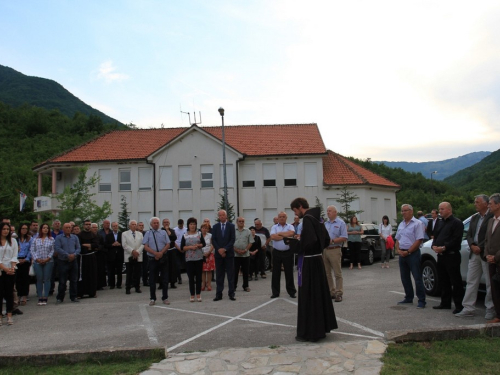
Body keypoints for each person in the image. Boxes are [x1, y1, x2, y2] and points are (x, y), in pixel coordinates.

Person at [291, 197, 337, 342]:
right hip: (318, 260)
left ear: (299, 206)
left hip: (309, 262)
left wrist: (297, 245)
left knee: (309, 296)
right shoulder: (319, 218)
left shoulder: (308, 220)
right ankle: (321, 327)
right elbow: (326, 240)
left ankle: (311, 332)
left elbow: (309, 241)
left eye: (295, 211)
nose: (296, 214)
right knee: (319, 294)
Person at [456, 194, 495, 318]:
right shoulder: (474, 218)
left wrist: (481, 247)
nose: (475, 204)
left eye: (477, 202)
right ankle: (468, 307)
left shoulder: (492, 217)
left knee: (489, 283)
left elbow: (491, 236)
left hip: (486, 253)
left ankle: (490, 308)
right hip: (474, 253)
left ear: (485, 203)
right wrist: (472, 244)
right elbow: (469, 234)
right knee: (471, 280)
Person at [431, 202, 465, 314]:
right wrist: (434, 245)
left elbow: (456, 240)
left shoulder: (457, 223)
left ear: (449, 210)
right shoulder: (439, 222)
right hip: (441, 256)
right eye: (439, 209)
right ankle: (445, 303)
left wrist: (444, 247)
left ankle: (459, 305)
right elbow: (435, 236)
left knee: (455, 281)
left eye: (442, 209)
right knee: (443, 280)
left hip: (451, 255)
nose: (440, 211)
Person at [395, 204, 426, 308]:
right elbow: (398, 238)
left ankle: (421, 300)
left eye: (405, 211)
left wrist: (408, 252)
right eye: (402, 211)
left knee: (417, 277)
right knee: (404, 277)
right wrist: (398, 250)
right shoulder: (401, 224)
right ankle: (408, 297)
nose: (403, 213)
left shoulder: (417, 223)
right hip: (402, 253)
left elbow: (419, 240)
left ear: (411, 211)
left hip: (412, 253)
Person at [143, 217, 170, 306]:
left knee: (165, 279)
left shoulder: (163, 232)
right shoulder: (148, 233)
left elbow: (168, 244)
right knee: (152, 280)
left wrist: (161, 253)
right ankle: (152, 298)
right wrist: (155, 253)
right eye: (154, 223)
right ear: (151, 224)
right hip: (152, 259)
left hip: (163, 258)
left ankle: (165, 297)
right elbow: (145, 246)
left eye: (157, 222)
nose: (156, 224)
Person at [323, 205, 348, 302]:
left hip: (335, 249)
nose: (328, 212)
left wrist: (332, 241)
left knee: (337, 273)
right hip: (325, 250)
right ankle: (331, 292)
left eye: (330, 211)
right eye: (327, 211)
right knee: (327, 273)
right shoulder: (325, 224)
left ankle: (339, 293)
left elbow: (344, 237)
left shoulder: (341, 223)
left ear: (335, 212)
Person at [270, 212, 296, 299]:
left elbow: (291, 233)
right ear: (278, 218)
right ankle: (275, 292)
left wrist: (280, 234)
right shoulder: (274, 227)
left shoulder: (290, 226)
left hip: (288, 252)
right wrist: (284, 236)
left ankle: (291, 291)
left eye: (283, 217)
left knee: (289, 272)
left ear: (286, 218)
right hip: (277, 252)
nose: (282, 218)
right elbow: (273, 237)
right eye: (280, 217)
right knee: (275, 273)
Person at [212, 210, 236, 301]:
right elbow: (213, 240)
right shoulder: (215, 227)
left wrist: (225, 249)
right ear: (218, 217)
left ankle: (231, 293)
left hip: (229, 254)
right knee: (219, 275)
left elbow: (232, 239)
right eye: (220, 215)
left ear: (226, 216)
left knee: (230, 275)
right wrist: (219, 250)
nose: (222, 216)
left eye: (223, 215)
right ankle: (219, 294)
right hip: (218, 255)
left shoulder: (231, 226)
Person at [181, 218, 206, 302]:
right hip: (189, 259)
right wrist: (190, 247)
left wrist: (199, 245)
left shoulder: (199, 233)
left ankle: (198, 294)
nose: (192, 226)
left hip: (198, 258)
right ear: (188, 225)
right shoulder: (185, 235)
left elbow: (204, 243)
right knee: (191, 277)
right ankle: (192, 294)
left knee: (199, 277)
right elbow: (182, 247)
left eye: (194, 224)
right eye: (191, 224)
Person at [54, 223, 81, 303]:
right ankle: (60, 298)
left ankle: (73, 296)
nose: (68, 229)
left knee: (74, 279)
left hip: (73, 261)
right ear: (63, 229)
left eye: (69, 227)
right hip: (63, 261)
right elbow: (57, 248)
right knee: (62, 281)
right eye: (66, 227)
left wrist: (74, 254)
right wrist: (67, 255)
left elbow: (78, 247)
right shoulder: (59, 238)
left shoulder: (75, 237)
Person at [484, 193, 500, 323]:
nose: (488, 206)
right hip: (491, 261)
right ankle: (498, 315)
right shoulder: (491, 221)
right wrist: (487, 255)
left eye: (490, 203)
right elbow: (487, 240)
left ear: (498, 205)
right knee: (494, 288)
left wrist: (496, 257)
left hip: (498, 259)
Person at [30, 223, 55, 305]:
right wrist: (37, 259)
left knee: (47, 279)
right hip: (38, 261)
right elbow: (32, 250)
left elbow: (53, 250)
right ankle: (40, 297)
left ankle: (46, 297)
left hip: (48, 261)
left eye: (47, 228)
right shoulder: (35, 239)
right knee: (39, 279)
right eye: (44, 228)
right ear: (41, 229)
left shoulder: (51, 239)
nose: (45, 229)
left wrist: (48, 258)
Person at [0, 222, 19, 325]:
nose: (6, 231)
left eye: (7, 229)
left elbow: (14, 255)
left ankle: (9, 314)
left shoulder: (13, 241)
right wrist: (5, 269)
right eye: (4, 229)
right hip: (1, 269)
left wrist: (11, 268)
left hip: (10, 269)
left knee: (9, 293)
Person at [77, 220, 99, 298]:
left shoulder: (93, 234)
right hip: (82, 257)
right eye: (86, 224)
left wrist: (88, 245)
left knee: (92, 274)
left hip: (91, 257)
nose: (88, 226)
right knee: (82, 275)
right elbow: (79, 245)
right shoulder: (80, 235)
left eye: (89, 224)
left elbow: (96, 244)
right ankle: (80, 293)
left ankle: (92, 292)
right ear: (83, 225)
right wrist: (89, 246)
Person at [122, 220, 144, 294]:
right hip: (129, 255)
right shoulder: (124, 234)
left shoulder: (140, 234)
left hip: (138, 255)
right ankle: (128, 287)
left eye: (135, 224)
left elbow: (143, 244)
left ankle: (137, 287)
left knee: (137, 273)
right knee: (129, 273)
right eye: (132, 224)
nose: (134, 226)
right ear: (129, 226)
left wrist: (137, 252)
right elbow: (124, 245)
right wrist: (132, 251)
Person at [233, 217, 254, 293]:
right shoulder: (233, 231)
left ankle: (245, 286)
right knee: (235, 272)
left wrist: (245, 250)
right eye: (240, 221)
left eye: (242, 221)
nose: (241, 222)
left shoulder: (248, 231)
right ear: (237, 222)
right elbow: (231, 242)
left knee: (246, 271)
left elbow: (251, 242)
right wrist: (237, 250)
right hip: (236, 255)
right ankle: (234, 286)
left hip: (246, 255)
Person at [16, 224, 32, 306]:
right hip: (17, 260)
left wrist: (26, 259)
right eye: (23, 228)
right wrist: (17, 259)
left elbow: (31, 250)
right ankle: (18, 295)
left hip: (26, 260)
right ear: (20, 229)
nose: (24, 230)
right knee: (18, 278)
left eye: (26, 228)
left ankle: (24, 295)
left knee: (25, 278)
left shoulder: (29, 239)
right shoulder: (16, 239)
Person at [105, 222, 124, 289]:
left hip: (119, 255)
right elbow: (106, 245)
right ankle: (112, 284)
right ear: (112, 227)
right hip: (111, 255)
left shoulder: (122, 234)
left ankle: (119, 284)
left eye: (116, 226)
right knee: (111, 271)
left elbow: (125, 243)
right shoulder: (108, 235)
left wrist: (120, 244)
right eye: (114, 226)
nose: (115, 227)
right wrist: (112, 245)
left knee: (119, 271)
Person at [162, 218, 178, 289]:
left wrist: (168, 230)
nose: (166, 223)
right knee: (163, 267)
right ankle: (162, 283)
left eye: (167, 222)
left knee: (172, 267)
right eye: (165, 222)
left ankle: (172, 282)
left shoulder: (172, 231)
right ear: (162, 224)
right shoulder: (160, 231)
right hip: (163, 251)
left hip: (171, 251)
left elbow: (174, 238)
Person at [91, 222, 107, 290]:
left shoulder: (100, 236)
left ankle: (100, 285)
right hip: (91, 255)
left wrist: (99, 247)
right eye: (93, 227)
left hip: (100, 255)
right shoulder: (89, 236)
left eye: (96, 227)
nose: (95, 229)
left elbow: (103, 245)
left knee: (100, 270)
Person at [201, 223, 214, 291]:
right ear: (201, 229)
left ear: (208, 229)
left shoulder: (210, 235)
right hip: (201, 254)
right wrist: (202, 253)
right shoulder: (199, 235)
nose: (204, 229)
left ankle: (209, 284)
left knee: (209, 271)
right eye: (203, 228)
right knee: (202, 271)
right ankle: (203, 284)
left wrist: (208, 252)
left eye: (206, 228)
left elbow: (213, 244)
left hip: (209, 254)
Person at [173, 219, 186, 285]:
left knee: (187, 264)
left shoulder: (186, 230)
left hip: (184, 248)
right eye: (179, 225)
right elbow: (174, 241)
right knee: (177, 265)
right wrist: (179, 248)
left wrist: (184, 248)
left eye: (181, 225)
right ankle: (179, 278)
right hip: (177, 249)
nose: (180, 226)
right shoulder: (174, 230)